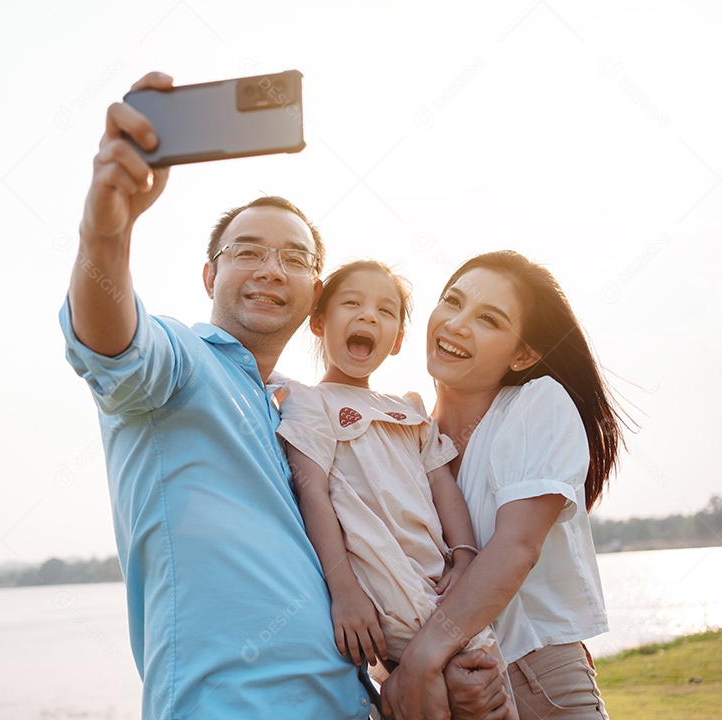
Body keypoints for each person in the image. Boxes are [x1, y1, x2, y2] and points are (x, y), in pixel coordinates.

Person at [61, 71, 509, 719]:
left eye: (294, 259)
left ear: (313, 293)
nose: (272, 270)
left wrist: (421, 678)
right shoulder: (179, 365)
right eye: (247, 252)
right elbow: (111, 343)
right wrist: (106, 230)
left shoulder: (294, 413)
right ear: (210, 275)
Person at [381, 251, 625, 720]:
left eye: (488, 319)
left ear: (523, 354)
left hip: (536, 681)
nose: (457, 324)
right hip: (441, 691)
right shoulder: (403, 436)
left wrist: (421, 660)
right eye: (453, 301)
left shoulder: (535, 405)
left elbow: (517, 547)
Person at [276, 260, 514, 715]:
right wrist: (343, 588)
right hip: (385, 597)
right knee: (438, 698)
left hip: (443, 592)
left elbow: (443, 485)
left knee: (491, 698)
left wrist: (465, 556)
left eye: (385, 311)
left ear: (398, 339)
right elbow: (313, 493)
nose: (368, 316)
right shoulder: (309, 402)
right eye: (352, 303)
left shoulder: (409, 410)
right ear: (319, 321)